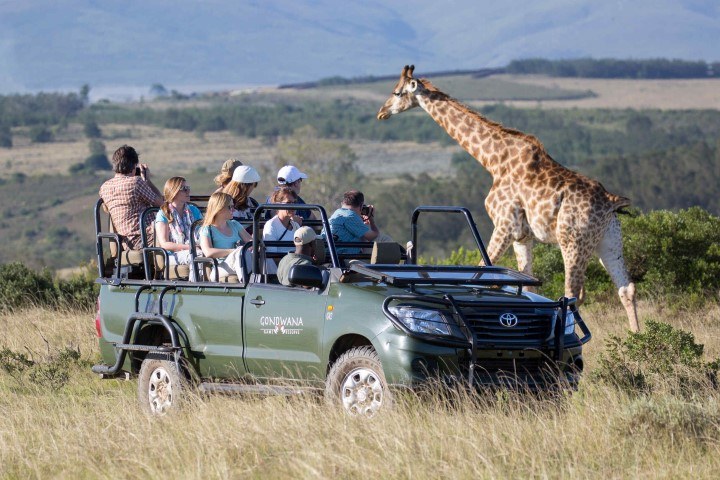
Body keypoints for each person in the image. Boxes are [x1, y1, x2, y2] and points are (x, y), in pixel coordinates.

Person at [99, 144, 163, 250]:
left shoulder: (104, 187)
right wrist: (147, 181)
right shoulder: (136, 183)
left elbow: (107, 209)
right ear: (134, 165)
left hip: (125, 242)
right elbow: (161, 204)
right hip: (146, 238)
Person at [199, 192, 252, 279]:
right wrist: (234, 251)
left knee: (260, 253)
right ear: (219, 209)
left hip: (238, 260)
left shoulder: (235, 224)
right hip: (219, 268)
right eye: (230, 207)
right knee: (240, 253)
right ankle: (245, 283)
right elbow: (208, 252)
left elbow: (251, 242)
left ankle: (272, 280)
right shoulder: (207, 229)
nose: (234, 210)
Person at [155, 177, 203, 266]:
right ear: (174, 192)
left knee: (204, 254)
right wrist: (190, 247)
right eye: (184, 189)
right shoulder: (163, 214)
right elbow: (164, 244)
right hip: (172, 255)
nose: (188, 191)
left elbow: (203, 232)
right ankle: (197, 280)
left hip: (195, 249)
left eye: (188, 188)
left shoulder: (194, 210)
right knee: (197, 255)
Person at [328, 190, 391, 255]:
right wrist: (371, 219)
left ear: (342, 203)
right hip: (344, 258)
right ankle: (389, 265)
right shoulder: (351, 216)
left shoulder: (338, 213)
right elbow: (372, 236)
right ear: (361, 206)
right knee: (384, 239)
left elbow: (362, 236)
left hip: (334, 254)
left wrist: (363, 222)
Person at [262, 186, 301, 274]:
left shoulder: (295, 225)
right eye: (289, 203)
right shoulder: (271, 225)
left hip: (296, 270)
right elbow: (273, 256)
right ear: (278, 204)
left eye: (294, 202)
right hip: (278, 274)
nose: (293, 206)